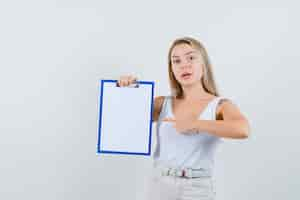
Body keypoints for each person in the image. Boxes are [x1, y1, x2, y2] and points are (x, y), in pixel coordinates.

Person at [117, 36, 251, 200]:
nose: (184, 65)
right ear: (171, 69)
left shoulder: (220, 105)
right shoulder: (162, 104)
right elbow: (123, 118)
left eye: (191, 58)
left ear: (203, 65)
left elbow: (242, 129)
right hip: (160, 186)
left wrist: (195, 124)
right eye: (176, 61)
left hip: (197, 189)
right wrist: (125, 91)